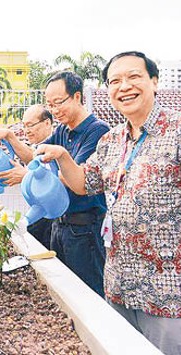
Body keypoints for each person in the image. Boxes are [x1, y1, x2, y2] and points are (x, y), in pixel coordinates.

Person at [36, 51, 181, 355]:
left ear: (154, 81)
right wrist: (62, 156)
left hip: (170, 294)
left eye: (134, 77)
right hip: (119, 286)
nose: (124, 86)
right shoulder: (112, 140)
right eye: (114, 81)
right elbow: (83, 183)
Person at [40, 71, 110, 297]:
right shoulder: (62, 130)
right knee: (63, 294)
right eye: (50, 105)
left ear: (77, 97)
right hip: (61, 226)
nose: (54, 110)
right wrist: (11, 140)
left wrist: (56, 161)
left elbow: (78, 178)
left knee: (88, 295)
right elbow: (36, 157)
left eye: (58, 102)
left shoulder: (97, 131)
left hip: (85, 230)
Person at [0, 104, 54, 248]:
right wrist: (10, 136)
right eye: (24, 126)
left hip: (57, 218)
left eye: (30, 125)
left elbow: (54, 180)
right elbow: (31, 157)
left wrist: (26, 176)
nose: (26, 131)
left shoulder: (56, 146)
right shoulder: (38, 147)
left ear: (47, 123)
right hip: (41, 215)